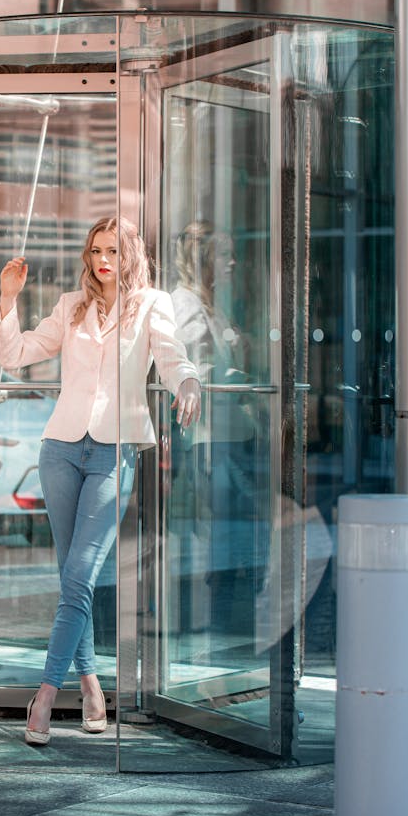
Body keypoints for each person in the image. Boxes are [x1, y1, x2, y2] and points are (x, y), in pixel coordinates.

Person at [0, 216, 201, 745]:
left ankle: (45, 695)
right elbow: (14, 355)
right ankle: (90, 685)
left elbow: (171, 357)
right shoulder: (72, 305)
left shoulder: (153, 304)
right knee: (73, 577)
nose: (102, 260)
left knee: (81, 573)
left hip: (114, 451)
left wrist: (189, 383)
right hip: (60, 447)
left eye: (111, 250)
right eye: (95, 251)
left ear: (128, 254)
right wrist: (8, 299)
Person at [170, 221, 263, 648]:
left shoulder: (212, 305)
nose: (232, 262)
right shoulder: (186, 305)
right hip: (213, 438)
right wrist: (241, 378)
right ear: (202, 258)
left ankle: (230, 621)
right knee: (226, 534)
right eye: (223, 253)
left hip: (232, 435)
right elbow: (193, 371)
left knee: (237, 532)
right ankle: (224, 625)